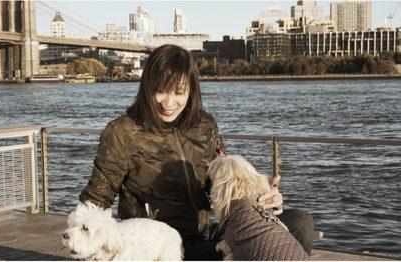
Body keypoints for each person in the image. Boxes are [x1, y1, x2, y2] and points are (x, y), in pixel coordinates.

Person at [79, 44, 313, 260]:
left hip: (206, 233)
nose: (169, 102)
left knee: (299, 223)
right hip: (161, 245)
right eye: (160, 91)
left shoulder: (205, 125)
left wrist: (263, 196)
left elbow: (221, 186)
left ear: (191, 90)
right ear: (146, 87)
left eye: (179, 92)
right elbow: (95, 201)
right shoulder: (121, 132)